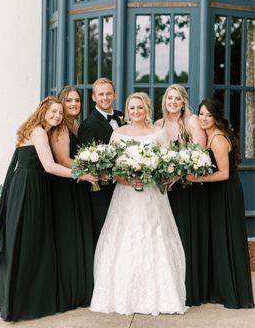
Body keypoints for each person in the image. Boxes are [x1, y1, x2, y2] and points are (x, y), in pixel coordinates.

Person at [90, 92, 187, 315]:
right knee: (125, 238)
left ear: (147, 110)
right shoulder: (118, 134)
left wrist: (160, 177)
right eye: (132, 108)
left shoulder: (158, 133)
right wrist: (126, 179)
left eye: (140, 108)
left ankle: (161, 296)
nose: (135, 112)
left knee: (155, 237)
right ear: (127, 110)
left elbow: (168, 163)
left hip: (153, 195)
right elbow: (111, 168)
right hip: (126, 194)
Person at [0, 97, 74, 321]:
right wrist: (81, 174)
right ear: (43, 110)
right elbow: (49, 166)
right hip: (28, 188)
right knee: (27, 240)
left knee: (24, 239)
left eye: (60, 114)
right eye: (53, 111)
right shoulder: (38, 132)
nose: (57, 116)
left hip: (29, 184)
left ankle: (20, 298)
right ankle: (23, 302)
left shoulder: (36, 129)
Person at [187, 98, 254, 309]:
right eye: (202, 114)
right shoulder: (208, 135)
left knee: (227, 238)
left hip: (225, 193)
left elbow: (224, 174)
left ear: (216, 116)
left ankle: (234, 294)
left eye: (209, 114)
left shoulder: (217, 139)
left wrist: (196, 179)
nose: (204, 119)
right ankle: (222, 290)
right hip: (216, 193)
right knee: (220, 239)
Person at [155, 84, 208, 306]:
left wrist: (179, 175)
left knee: (186, 236)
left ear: (183, 101)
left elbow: (200, 154)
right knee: (166, 239)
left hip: (188, 188)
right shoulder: (157, 125)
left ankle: (191, 290)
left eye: (177, 98)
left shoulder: (192, 121)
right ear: (164, 101)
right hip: (164, 191)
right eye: (170, 98)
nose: (173, 102)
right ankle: (169, 289)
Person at [50, 86, 96, 311]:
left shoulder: (75, 125)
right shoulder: (60, 127)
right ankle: (69, 290)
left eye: (77, 100)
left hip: (77, 184)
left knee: (77, 235)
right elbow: (63, 160)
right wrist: (91, 169)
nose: (73, 104)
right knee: (69, 236)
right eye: (68, 101)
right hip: (65, 186)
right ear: (61, 102)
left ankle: (79, 288)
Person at [77, 78, 124, 246]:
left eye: (109, 93)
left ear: (115, 95)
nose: (105, 97)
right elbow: (87, 163)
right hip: (103, 192)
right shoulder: (88, 125)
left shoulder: (122, 117)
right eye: (101, 94)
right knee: (105, 238)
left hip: (126, 190)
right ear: (93, 97)